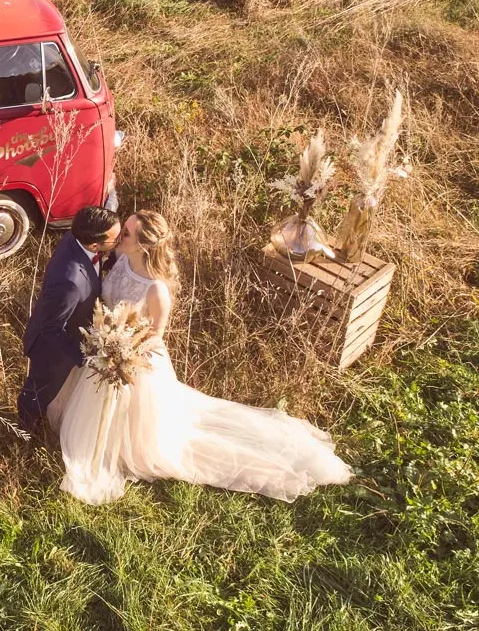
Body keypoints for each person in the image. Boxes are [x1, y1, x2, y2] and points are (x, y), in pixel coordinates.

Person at [58, 210, 354, 504]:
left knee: (148, 441)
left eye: (126, 233)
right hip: (105, 349)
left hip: (132, 361)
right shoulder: (122, 260)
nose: (118, 234)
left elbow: (155, 337)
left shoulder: (156, 291)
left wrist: (120, 354)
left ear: (144, 246)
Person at [18, 206, 121, 435]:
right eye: (115, 239)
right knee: (37, 393)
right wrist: (83, 358)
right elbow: (52, 328)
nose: (118, 242)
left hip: (69, 327)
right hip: (52, 351)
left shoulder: (77, 236)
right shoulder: (70, 281)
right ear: (95, 245)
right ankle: (24, 433)